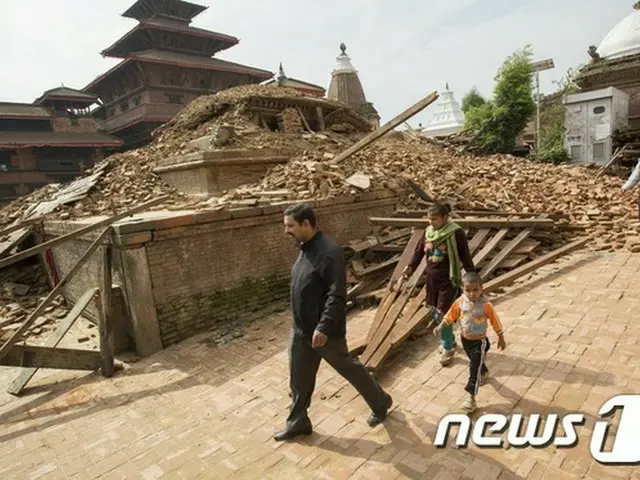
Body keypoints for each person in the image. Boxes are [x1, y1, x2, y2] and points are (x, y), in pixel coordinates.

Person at [274, 203, 393, 441]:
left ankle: (381, 402)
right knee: (298, 379)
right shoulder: (303, 247)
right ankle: (298, 422)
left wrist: (324, 326)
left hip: (325, 333)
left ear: (306, 224)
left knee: (349, 368)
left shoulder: (329, 251)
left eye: (290, 226)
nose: (286, 231)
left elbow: (337, 294)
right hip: (300, 331)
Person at [399, 202, 476, 366]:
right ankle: (450, 340)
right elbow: (418, 253)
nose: (431, 222)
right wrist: (408, 270)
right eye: (429, 219)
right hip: (432, 280)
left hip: (449, 280)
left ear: (445, 217)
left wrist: (472, 277)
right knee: (435, 312)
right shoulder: (428, 232)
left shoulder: (456, 233)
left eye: (435, 219)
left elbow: (465, 256)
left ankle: (447, 348)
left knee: (444, 314)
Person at [433, 272, 506, 412]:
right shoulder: (460, 302)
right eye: (468, 290)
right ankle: (483, 371)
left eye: (475, 290)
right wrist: (441, 325)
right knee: (475, 362)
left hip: (480, 342)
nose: (472, 294)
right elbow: (450, 314)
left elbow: (495, 320)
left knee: (473, 370)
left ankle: (470, 398)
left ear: (481, 288)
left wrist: (501, 336)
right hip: (465, 340)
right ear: (462, 289)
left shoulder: (486, 305)